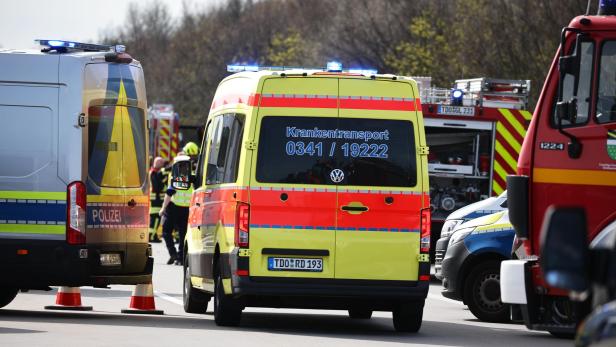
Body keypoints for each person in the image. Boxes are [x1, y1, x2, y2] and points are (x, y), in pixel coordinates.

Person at [159, 142, 199, 265]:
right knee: (183, 234)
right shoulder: (195, 175)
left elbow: (170, 192)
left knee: (166, 231)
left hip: (174, 207)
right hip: (187, 209)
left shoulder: (177, 174)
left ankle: (173, 254)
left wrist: (162, 208)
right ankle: (180, 258)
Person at [148, 157, 166, 242]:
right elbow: (157, 187)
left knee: (155, 219)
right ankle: (152, 236)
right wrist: (164, 184)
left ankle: (153, 235)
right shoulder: (153, 173)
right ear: (158, 163)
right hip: (156, 200)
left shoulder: (153, 172)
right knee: (155, 219)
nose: (163, 165)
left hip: (155, 200)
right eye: (161, 163)